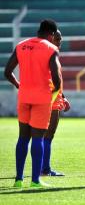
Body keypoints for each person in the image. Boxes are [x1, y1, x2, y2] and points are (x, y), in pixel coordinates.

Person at [4, 19, 61, 188]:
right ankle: (35, 180)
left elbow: (7, 72)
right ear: (51, 35)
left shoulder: (22, 45)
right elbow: (57, 81)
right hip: (41, 99)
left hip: (24, 97)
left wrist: (18, 85)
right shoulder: (51, 49)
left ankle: (18, 180)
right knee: (38, 139)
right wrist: (51, 96)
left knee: (22, 137)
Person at [41, 30, 71, 176]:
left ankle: (41, 168)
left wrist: (63, 96)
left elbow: (55, 79)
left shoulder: (50, 54)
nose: (60, 41)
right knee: (48, 135)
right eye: (57, 38)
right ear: (51, 38)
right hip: (51, 100)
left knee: (43, 135)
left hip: (52, 98)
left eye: (61, 39)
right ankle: (44, 169)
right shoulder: (50, 54)